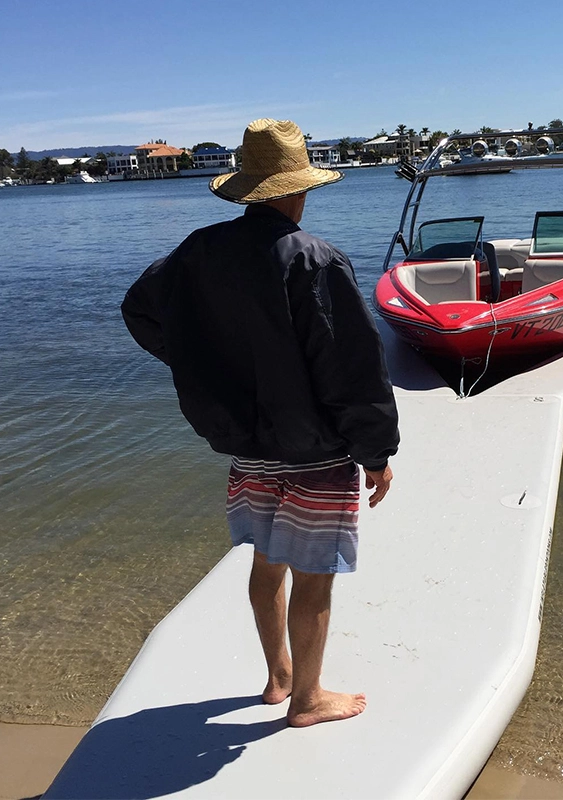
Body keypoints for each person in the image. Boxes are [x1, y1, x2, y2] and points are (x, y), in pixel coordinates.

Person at [121, 118, 400, 727]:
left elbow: (139, 310)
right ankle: (308, 699)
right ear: (299, 190)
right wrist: (377, 454)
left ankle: (278, 677)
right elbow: (352, 371)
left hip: (247, 446)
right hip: (318, 452)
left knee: (267, 562)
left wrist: (201, 361)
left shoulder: (198, 251)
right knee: (315, 576)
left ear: (249, 189)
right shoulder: (315, 259)